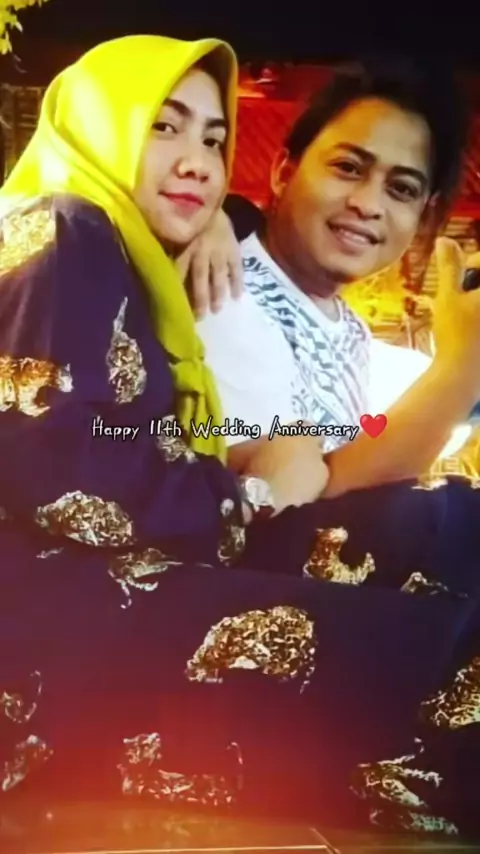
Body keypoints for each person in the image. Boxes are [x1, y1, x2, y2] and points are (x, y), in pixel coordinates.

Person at [1, 34, 480, 844]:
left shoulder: (312, 316)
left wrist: (295, 455)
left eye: (213, 139)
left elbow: (326, 446)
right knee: (438, 566)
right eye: (162, 125)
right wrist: (453, 375)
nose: (194, 160)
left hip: (159, 566)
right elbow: (84, 464)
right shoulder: (165, 267)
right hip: (95, 598)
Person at [197, 59, 480, 499]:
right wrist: (461, 370)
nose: (368, 204)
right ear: (284, 172)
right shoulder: (222, 284)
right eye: (348, 167)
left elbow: (359, 437)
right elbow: (296, 506)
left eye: (402, 189)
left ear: (421, 219)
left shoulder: (350, 329)